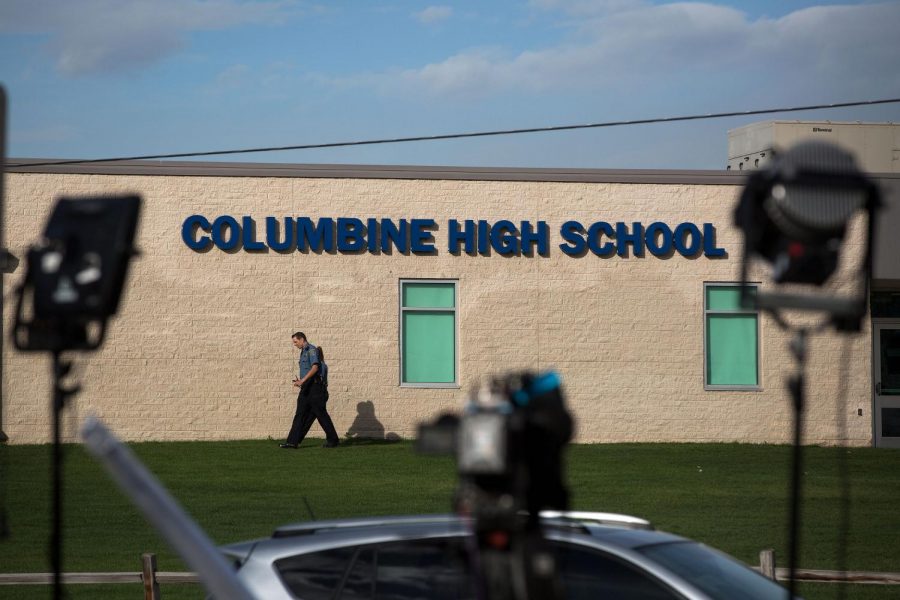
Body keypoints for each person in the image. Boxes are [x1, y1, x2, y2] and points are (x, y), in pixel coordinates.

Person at [280, 332, 340, 449]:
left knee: (321, 415)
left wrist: (303, 380)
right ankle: (292, 442)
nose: (294, 344)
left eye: (295, 341)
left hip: (314, 388)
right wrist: (301, 382)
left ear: (302, 339)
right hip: (306, 387)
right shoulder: (303, 352)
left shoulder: (311, 350)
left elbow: (315, 367)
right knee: (300, 414)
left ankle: (333, 440)